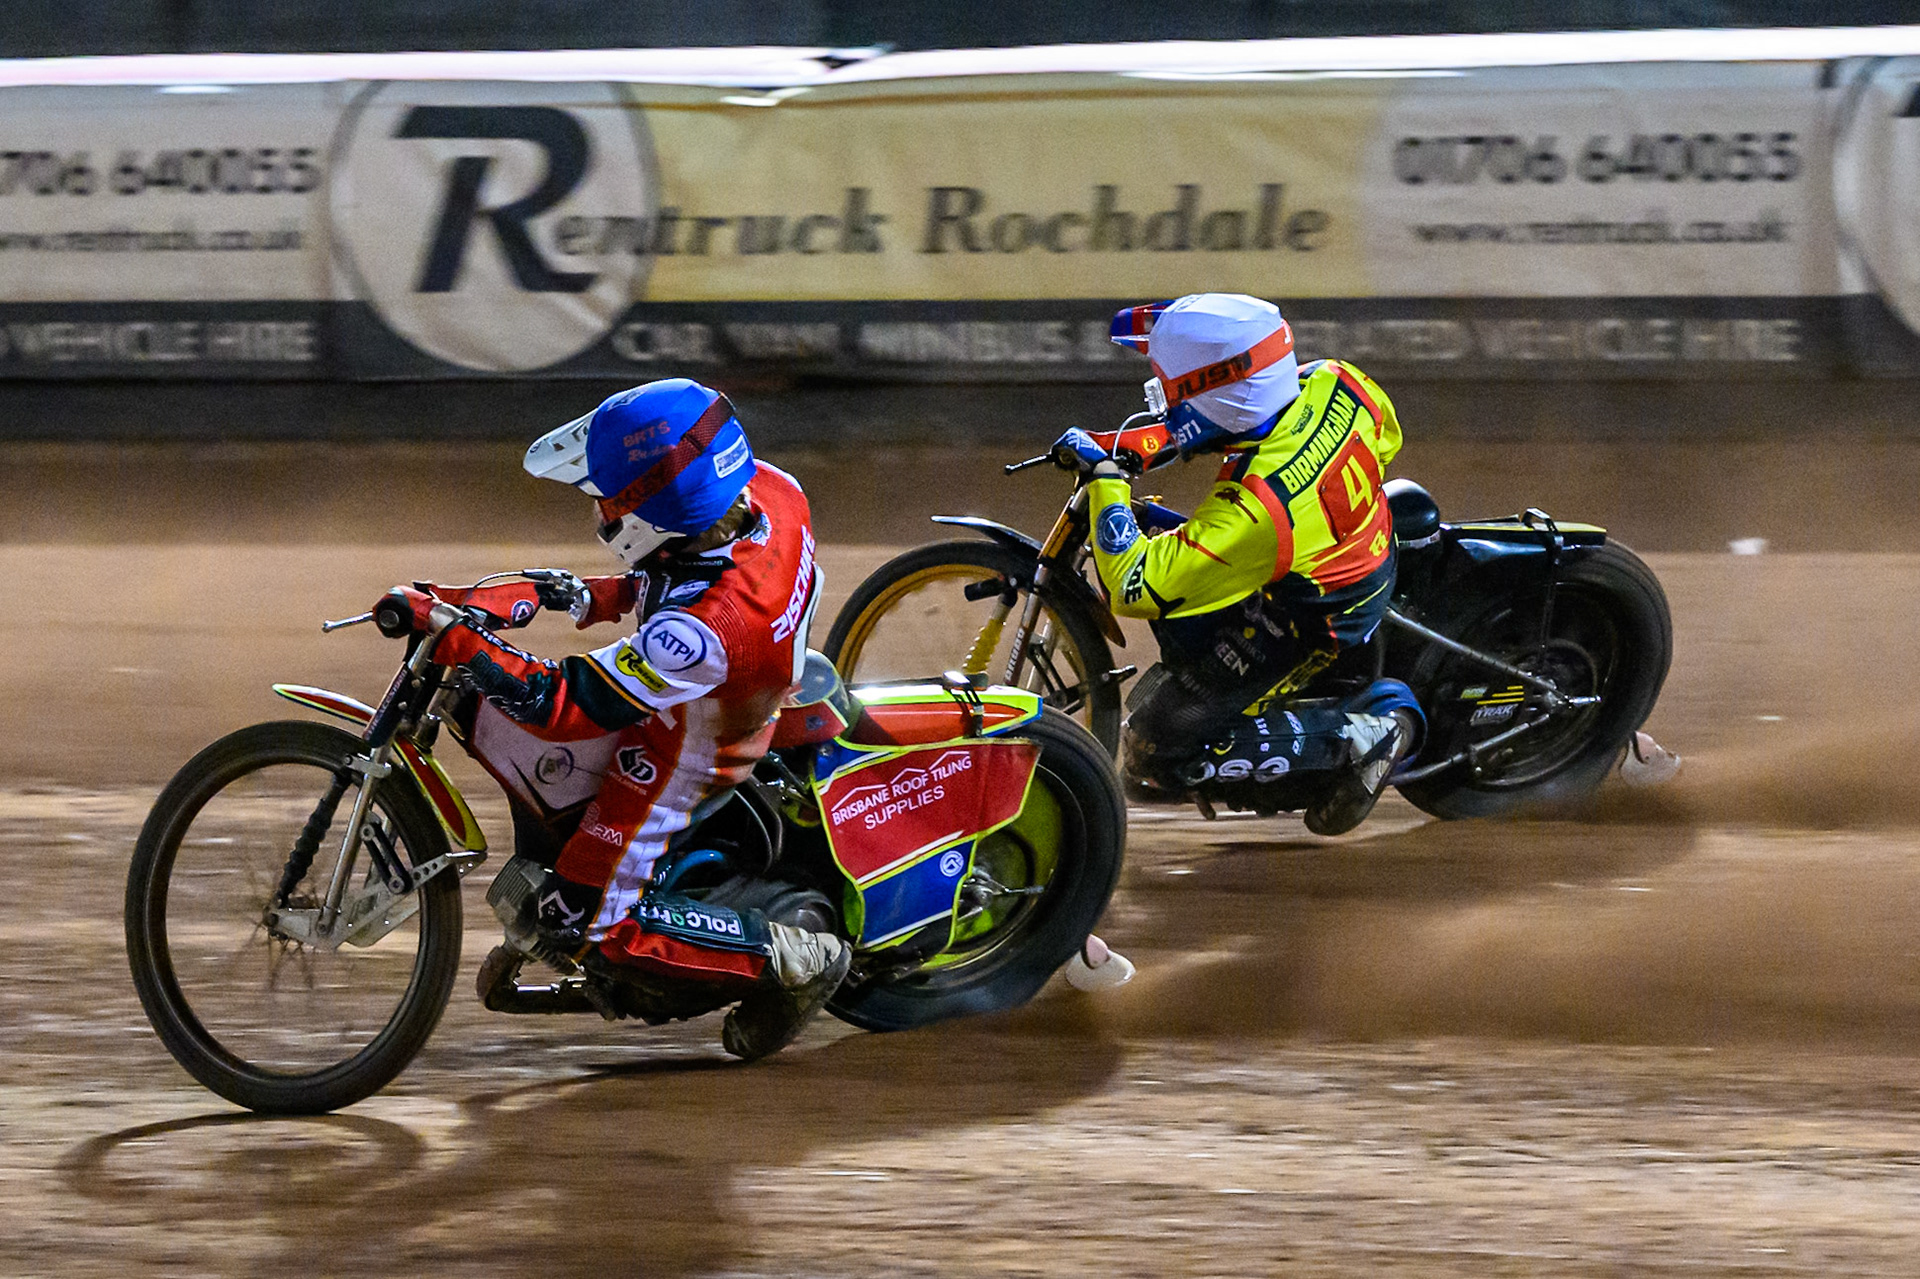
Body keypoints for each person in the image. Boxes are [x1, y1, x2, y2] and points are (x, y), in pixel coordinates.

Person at [378, 378, 847, 1061]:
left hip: (691, 748)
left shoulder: (704, 631)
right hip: (733, 680)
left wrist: (461, 639)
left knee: (590, 922)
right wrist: (586, 594)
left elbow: (563, 703)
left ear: (655, 512)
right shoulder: (770, 489)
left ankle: (795, 959)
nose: (599, 507)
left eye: (609, 496)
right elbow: (685, 568)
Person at [1053, 292, 1412, 834]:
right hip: (1354, 544)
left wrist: (1106, 484)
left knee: (1156, 746)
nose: (1162, 404)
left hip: (1312, 618)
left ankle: (1371, 730)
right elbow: (1387, 436)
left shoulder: (1252, 511)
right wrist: (1137, 446)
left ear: (1219, 390)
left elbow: (1132, 586)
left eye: (1171, 392)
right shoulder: (1337, 380)